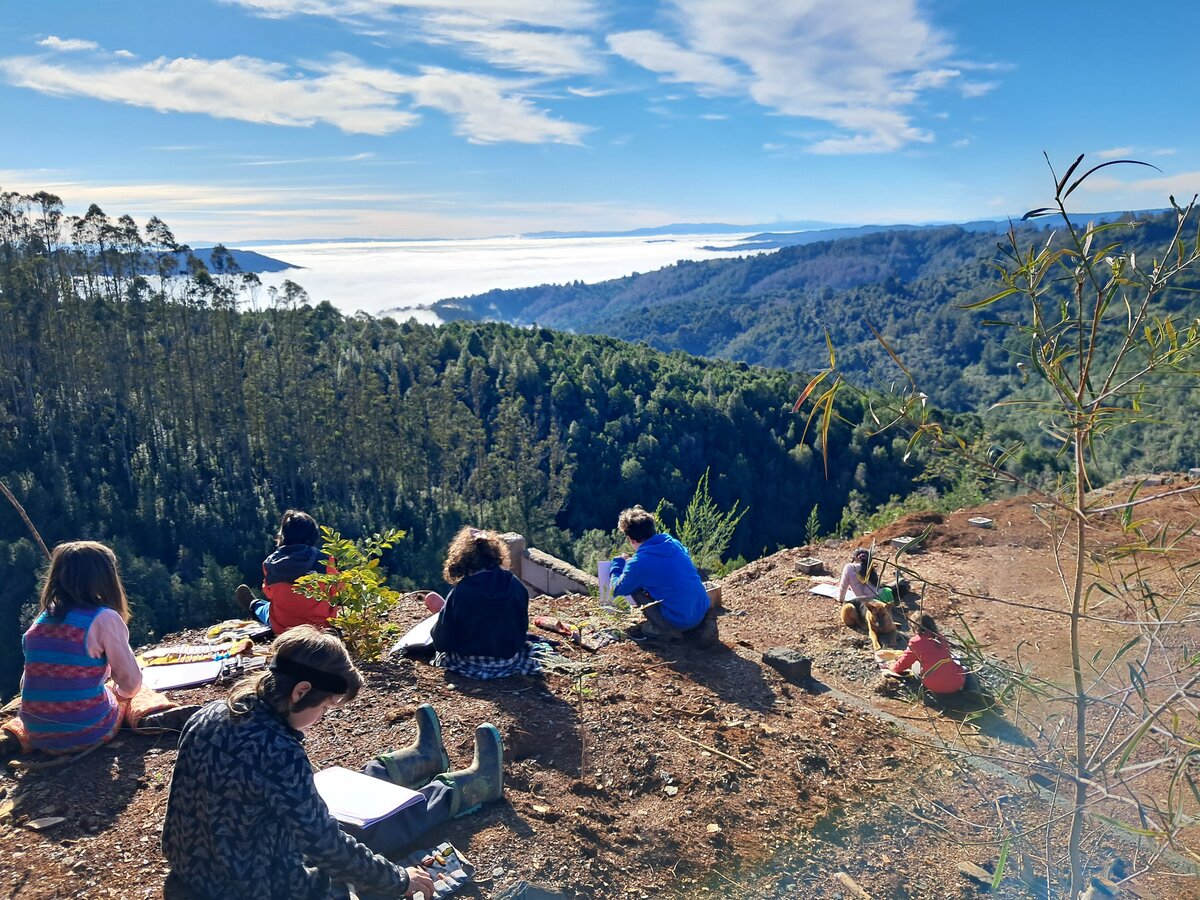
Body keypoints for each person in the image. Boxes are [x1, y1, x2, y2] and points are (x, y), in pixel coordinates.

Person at [163, 626, 504, 899]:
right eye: (325, 707)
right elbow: (326, 845)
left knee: (339, 801)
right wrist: (400, 880)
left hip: (194, 878)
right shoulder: (279, 751)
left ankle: (419, 761)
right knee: (363, 828)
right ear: (301, 691)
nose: (322, 717)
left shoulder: (210, 714)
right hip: (254, 886)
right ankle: (468, 787)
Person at [0, 541, 196, 763]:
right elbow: (131, 682)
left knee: (52, 701)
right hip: (86, 732)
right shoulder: (104, 618)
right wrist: (120, 695)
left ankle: (14, 737)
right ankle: (147, 715)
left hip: (38, 734)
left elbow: (28, 682)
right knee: (133, 690)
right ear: (104, 578)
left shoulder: (42, 619)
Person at [429, 526, 537, 679]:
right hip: (509, 662)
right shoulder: (516, 585)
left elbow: (443, 643)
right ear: (496, 555)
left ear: (463, 559)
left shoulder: (461, 592)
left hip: (470, 663)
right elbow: (521, 629)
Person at [608, 506, 714, 641]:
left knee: (636, 589)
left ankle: (663, 630)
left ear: (631, 539)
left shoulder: (640, 562)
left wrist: (617, 564)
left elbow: (616, 590)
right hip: (701, 609)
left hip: (681, 622)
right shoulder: (673, 543)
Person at [236, 509, 337, 635]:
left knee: (267, 608)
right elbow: (337, 592)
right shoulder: (326, 560)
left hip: (283, 626)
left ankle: (253, 604)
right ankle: (255, 604)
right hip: (321, 626)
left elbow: (269, 592)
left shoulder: (270, 564)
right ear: (313, 535)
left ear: (284, 536)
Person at [882, 614, 966, 696]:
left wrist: (892, 667)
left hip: (934, 686)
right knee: (965, 669)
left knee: (915, 665)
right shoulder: (941, 638)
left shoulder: (915, 641)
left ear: (915, 627)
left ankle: (921, 689)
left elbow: (904, 663)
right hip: (956, 684)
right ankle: (972, 689)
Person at [837, 548, 887, 628]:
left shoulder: (849, 567)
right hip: (882, 599)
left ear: (855, 558)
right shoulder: (869, 566)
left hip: (868, 602)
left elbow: (843, 586)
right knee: (889, 588)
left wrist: (840, 599)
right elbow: (876, 584)